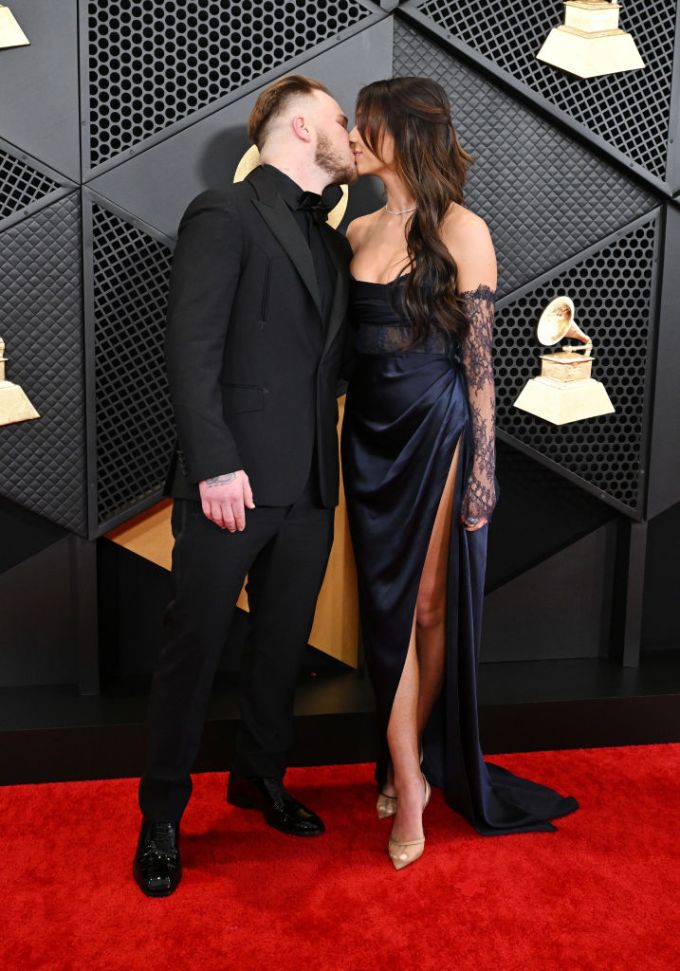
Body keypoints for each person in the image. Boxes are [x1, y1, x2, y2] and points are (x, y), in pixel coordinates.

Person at [342, 77, 578, 871]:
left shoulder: (463, 229)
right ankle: (405, 768)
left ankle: (406, 768)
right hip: (366, 436)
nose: (353, 135)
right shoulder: (356, 227)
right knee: (385, 611)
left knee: (431, 605)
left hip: (436, 428)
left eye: (364, 124)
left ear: (401, 135)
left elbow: (481, 371)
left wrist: (484, 469)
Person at [133, 75, 356, 897]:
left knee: (279, 650)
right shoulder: (222, 214)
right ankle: (161, 815)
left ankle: (259, 779)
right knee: (192, 653)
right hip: (230, 480)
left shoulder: (332, 240)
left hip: (309, 487)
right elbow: (190, 350)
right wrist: (215, 462)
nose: (351, 133)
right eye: (341, 118)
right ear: (301, 126)